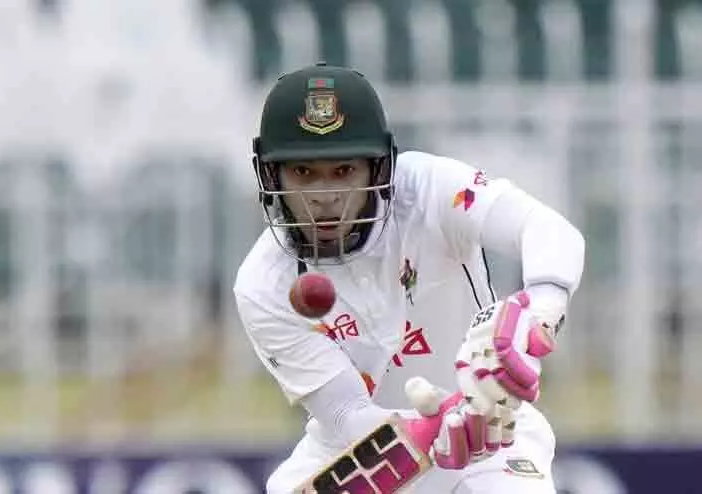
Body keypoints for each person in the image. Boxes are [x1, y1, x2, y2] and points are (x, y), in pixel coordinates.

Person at [234, 62, 585, 493]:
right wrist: (433, 428)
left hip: (491, 432)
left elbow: (546, 228)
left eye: (343, 171)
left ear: (379, 169)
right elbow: (345, 414)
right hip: (361, 449)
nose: (325, 197)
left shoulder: (430, 190)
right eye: (304, 173)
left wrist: (539, 312)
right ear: (271, 175)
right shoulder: (264, 284)